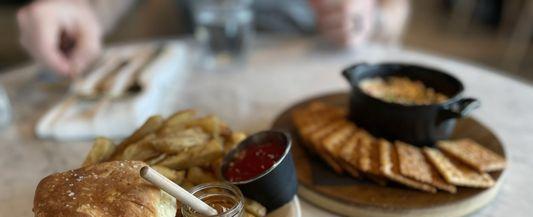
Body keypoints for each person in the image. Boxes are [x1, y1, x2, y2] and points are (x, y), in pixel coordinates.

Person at [17, 0, 409, 77]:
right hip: (203, 73)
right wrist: (77, 10)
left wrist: (370, 18)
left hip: (317, 67)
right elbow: (98, 8)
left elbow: (397, 12)